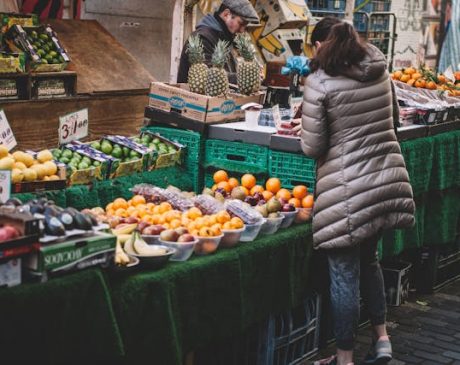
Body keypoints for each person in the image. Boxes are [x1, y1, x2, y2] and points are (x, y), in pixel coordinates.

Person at [300, 18, 416, 365]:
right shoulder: (379, 69)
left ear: (321, 46)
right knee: (370, 261)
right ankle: (382, 340)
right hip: (384, 181)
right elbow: (393, 118)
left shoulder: (319, 83)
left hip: (348, 192)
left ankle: (344, 358)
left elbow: (312, 145)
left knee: (344, 274)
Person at [177, 0, 259, 85]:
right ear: (226, 14)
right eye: (241, 23)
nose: (242, 30)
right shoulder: (203, 38)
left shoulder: (224, 38)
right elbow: (208, 77)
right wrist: (245, 77)